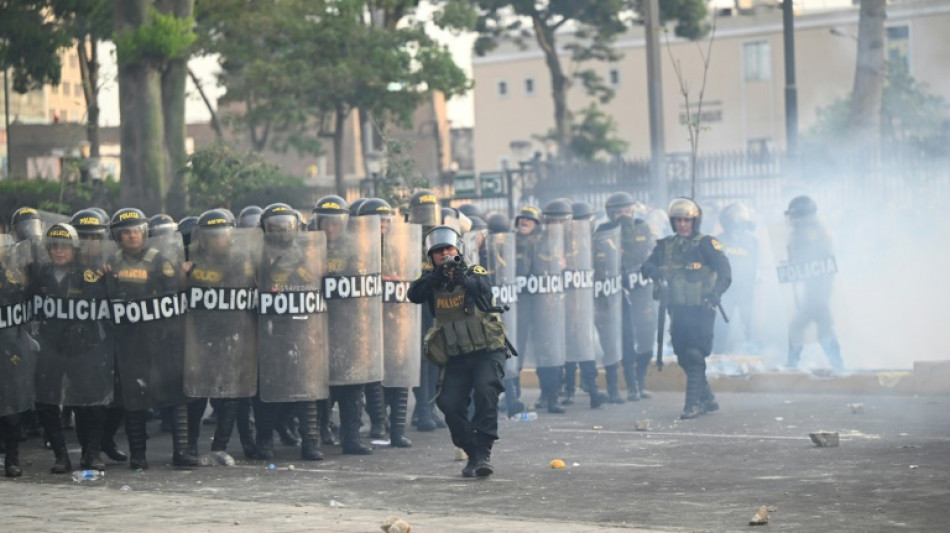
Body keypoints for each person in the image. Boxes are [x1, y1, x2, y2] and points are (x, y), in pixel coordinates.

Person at [408, 225, 510, 477]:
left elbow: (483, 287)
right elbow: (414, 294)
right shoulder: (430, 278)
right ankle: (471, 450)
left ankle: (483, 452)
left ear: (458, 250)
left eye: (449, 249)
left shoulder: (474, 270)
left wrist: (462, 278)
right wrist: (436, 277)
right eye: (438, 251)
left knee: (486, 391)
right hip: (456, 354)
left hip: (487, 350)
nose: (445, 254)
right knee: (448, 403)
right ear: (431, 256)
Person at [105, 208, 198, 469]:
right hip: (131, 340)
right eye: (125, 232)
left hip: (162, 338)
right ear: (117, 237)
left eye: (136, 231)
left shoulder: (159, 260)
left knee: (175, 390)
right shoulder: (111, 263)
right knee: (135, 395)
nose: (131, 236)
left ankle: (181, 450)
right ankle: (138, 454)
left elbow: (173, 292)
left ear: (144, 232)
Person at [33, 223, 115, 472]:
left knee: (92, 401)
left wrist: (109, 276)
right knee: (45, 401)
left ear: (75, 249)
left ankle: (92, 452)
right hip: (50, 346)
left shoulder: (90, 274)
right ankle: (60, 455)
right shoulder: (39, 273)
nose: (59, 251)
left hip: (83, 346)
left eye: (65, 246)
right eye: (54, 246)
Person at [642, 198, 731, 420]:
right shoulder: (665, 246)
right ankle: (708, 398)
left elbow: (725, 272)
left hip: (702, 309)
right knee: (683, 356)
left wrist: (715, 295)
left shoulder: (707, 244)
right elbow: (647, 265)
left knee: (694, 354)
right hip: (677, 311)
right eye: (678, 220)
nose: (682, 224)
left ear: (695, 221)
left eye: (687, 220)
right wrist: (654, 272)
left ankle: (693, 404)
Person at [70, 209, 128, 464]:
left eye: (94, 237)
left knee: (121, 399)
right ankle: (90, 450)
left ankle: (106, 440)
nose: (88, 242)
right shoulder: (66, 266)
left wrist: (114, 279)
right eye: (83, 236)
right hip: (79, 343)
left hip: (112, 341)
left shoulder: (114, 263)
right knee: (87, 403)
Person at [359, 198, 416, 448]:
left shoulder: (398, 245)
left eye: (385, 220)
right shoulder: (358, 247)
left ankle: (398, 429)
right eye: (377, 220)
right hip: (367, 320)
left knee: (400, 370)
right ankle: (379, 424)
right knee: (374, 375)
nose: (382, 225)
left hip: (397, 316)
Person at [598, 193, 657, 402]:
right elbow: (599, 262)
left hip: (641, 290)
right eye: (618, 212)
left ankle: (641, 380)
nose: (624, 215)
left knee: (647, 336)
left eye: (627, 211)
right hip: (617, 294)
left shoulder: (643, 228)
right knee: (626, 339)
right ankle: (632, 386)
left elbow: (651, 254)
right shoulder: (603, 232)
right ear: (610, 214)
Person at [783, 196, 843, 371]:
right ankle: (838, 364)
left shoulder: (811, 234)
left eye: (794, 215)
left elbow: (813, 261)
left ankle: (793, 364)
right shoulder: (815, 231)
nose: (791, 219)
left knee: (799, 326)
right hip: (816, 290)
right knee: (824, 327)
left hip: (818, 290)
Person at [714, 202, 760, 353]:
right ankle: (718, 354)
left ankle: (752, 355)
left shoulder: (753, 242)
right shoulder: (718, 241)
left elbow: (758, 264)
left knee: (750, 324)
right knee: (721, 324)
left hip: (747, 290)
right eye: (738, 218)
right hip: (725, 291)